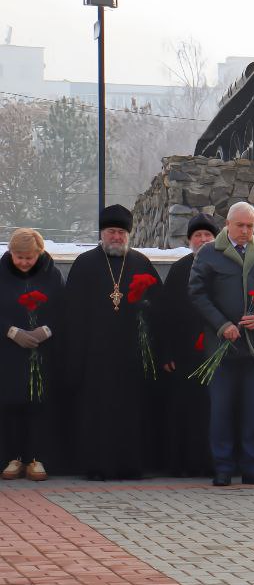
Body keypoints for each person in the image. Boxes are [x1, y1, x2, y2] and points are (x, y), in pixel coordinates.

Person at [188, 202, 254, 487]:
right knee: (221, 409)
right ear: (228, 224)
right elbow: (197, 293)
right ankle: (223, 467)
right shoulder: (209, 253)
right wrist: (222, 325)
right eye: (240, 225)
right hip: (222, 348)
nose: (245, 231)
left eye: (250, 226)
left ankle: (252, 467)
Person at [61, 205, 163, 480]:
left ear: (128, 235)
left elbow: (160, 308)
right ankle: (97, 466)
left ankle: (130, 465)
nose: (116, 237)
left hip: (131, 356)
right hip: (96, 356)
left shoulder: (142, 263)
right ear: (102, 233)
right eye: (111, 232)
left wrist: (145, 306)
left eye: (121, 232)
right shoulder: (84, 263)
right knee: (97, 413)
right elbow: (71, 314)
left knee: (131, 412)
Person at [157, 214, 219, 478]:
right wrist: (166, 351)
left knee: (212, 410)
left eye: (208, 235)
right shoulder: (180, 269)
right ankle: (181, 463)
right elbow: (165, 314)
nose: (203, 240)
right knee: (183, 409)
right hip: (184, 354)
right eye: (198, 236)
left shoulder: (225, 266)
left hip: (216, 351)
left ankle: (210, 463)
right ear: (189, 241)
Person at [0, 229, 62, 481]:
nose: (24, 262)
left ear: (39, 254)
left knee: (38, 403)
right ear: (10, 253)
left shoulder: (52, 274)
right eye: (19, 257)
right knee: (11, 403)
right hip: (9, 351)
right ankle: (13, 457)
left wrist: (46, 329)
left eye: (29, 258)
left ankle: (36, 458)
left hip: (42, 350)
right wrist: (11, 331)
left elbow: (63, 307)